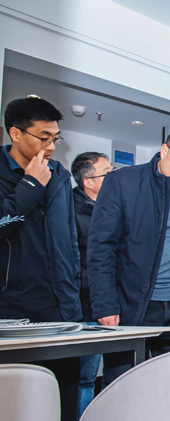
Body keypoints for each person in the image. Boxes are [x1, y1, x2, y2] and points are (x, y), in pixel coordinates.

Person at [88, 127, 170, 386]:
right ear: (164, 151)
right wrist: (105, 304)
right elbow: (101, 247)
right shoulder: (123, 182)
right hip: (134, 304)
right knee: (123, 386)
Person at [0, 97, 81, 322]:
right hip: (9, 305)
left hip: (59, 302)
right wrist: (31, 184)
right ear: (16, 134)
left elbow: (70, 239)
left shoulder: (59, 174)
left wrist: (72, 288)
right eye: (44, 139)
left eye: (55, 139)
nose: (51, 147)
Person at [70, 151, 114, 418]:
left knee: (116, 372)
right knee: (84, 376)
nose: (113, 177)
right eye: (107, 173)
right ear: (88, 182)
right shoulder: (70, 212)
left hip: (113, 302)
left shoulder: (113, 207)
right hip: (86, 304)